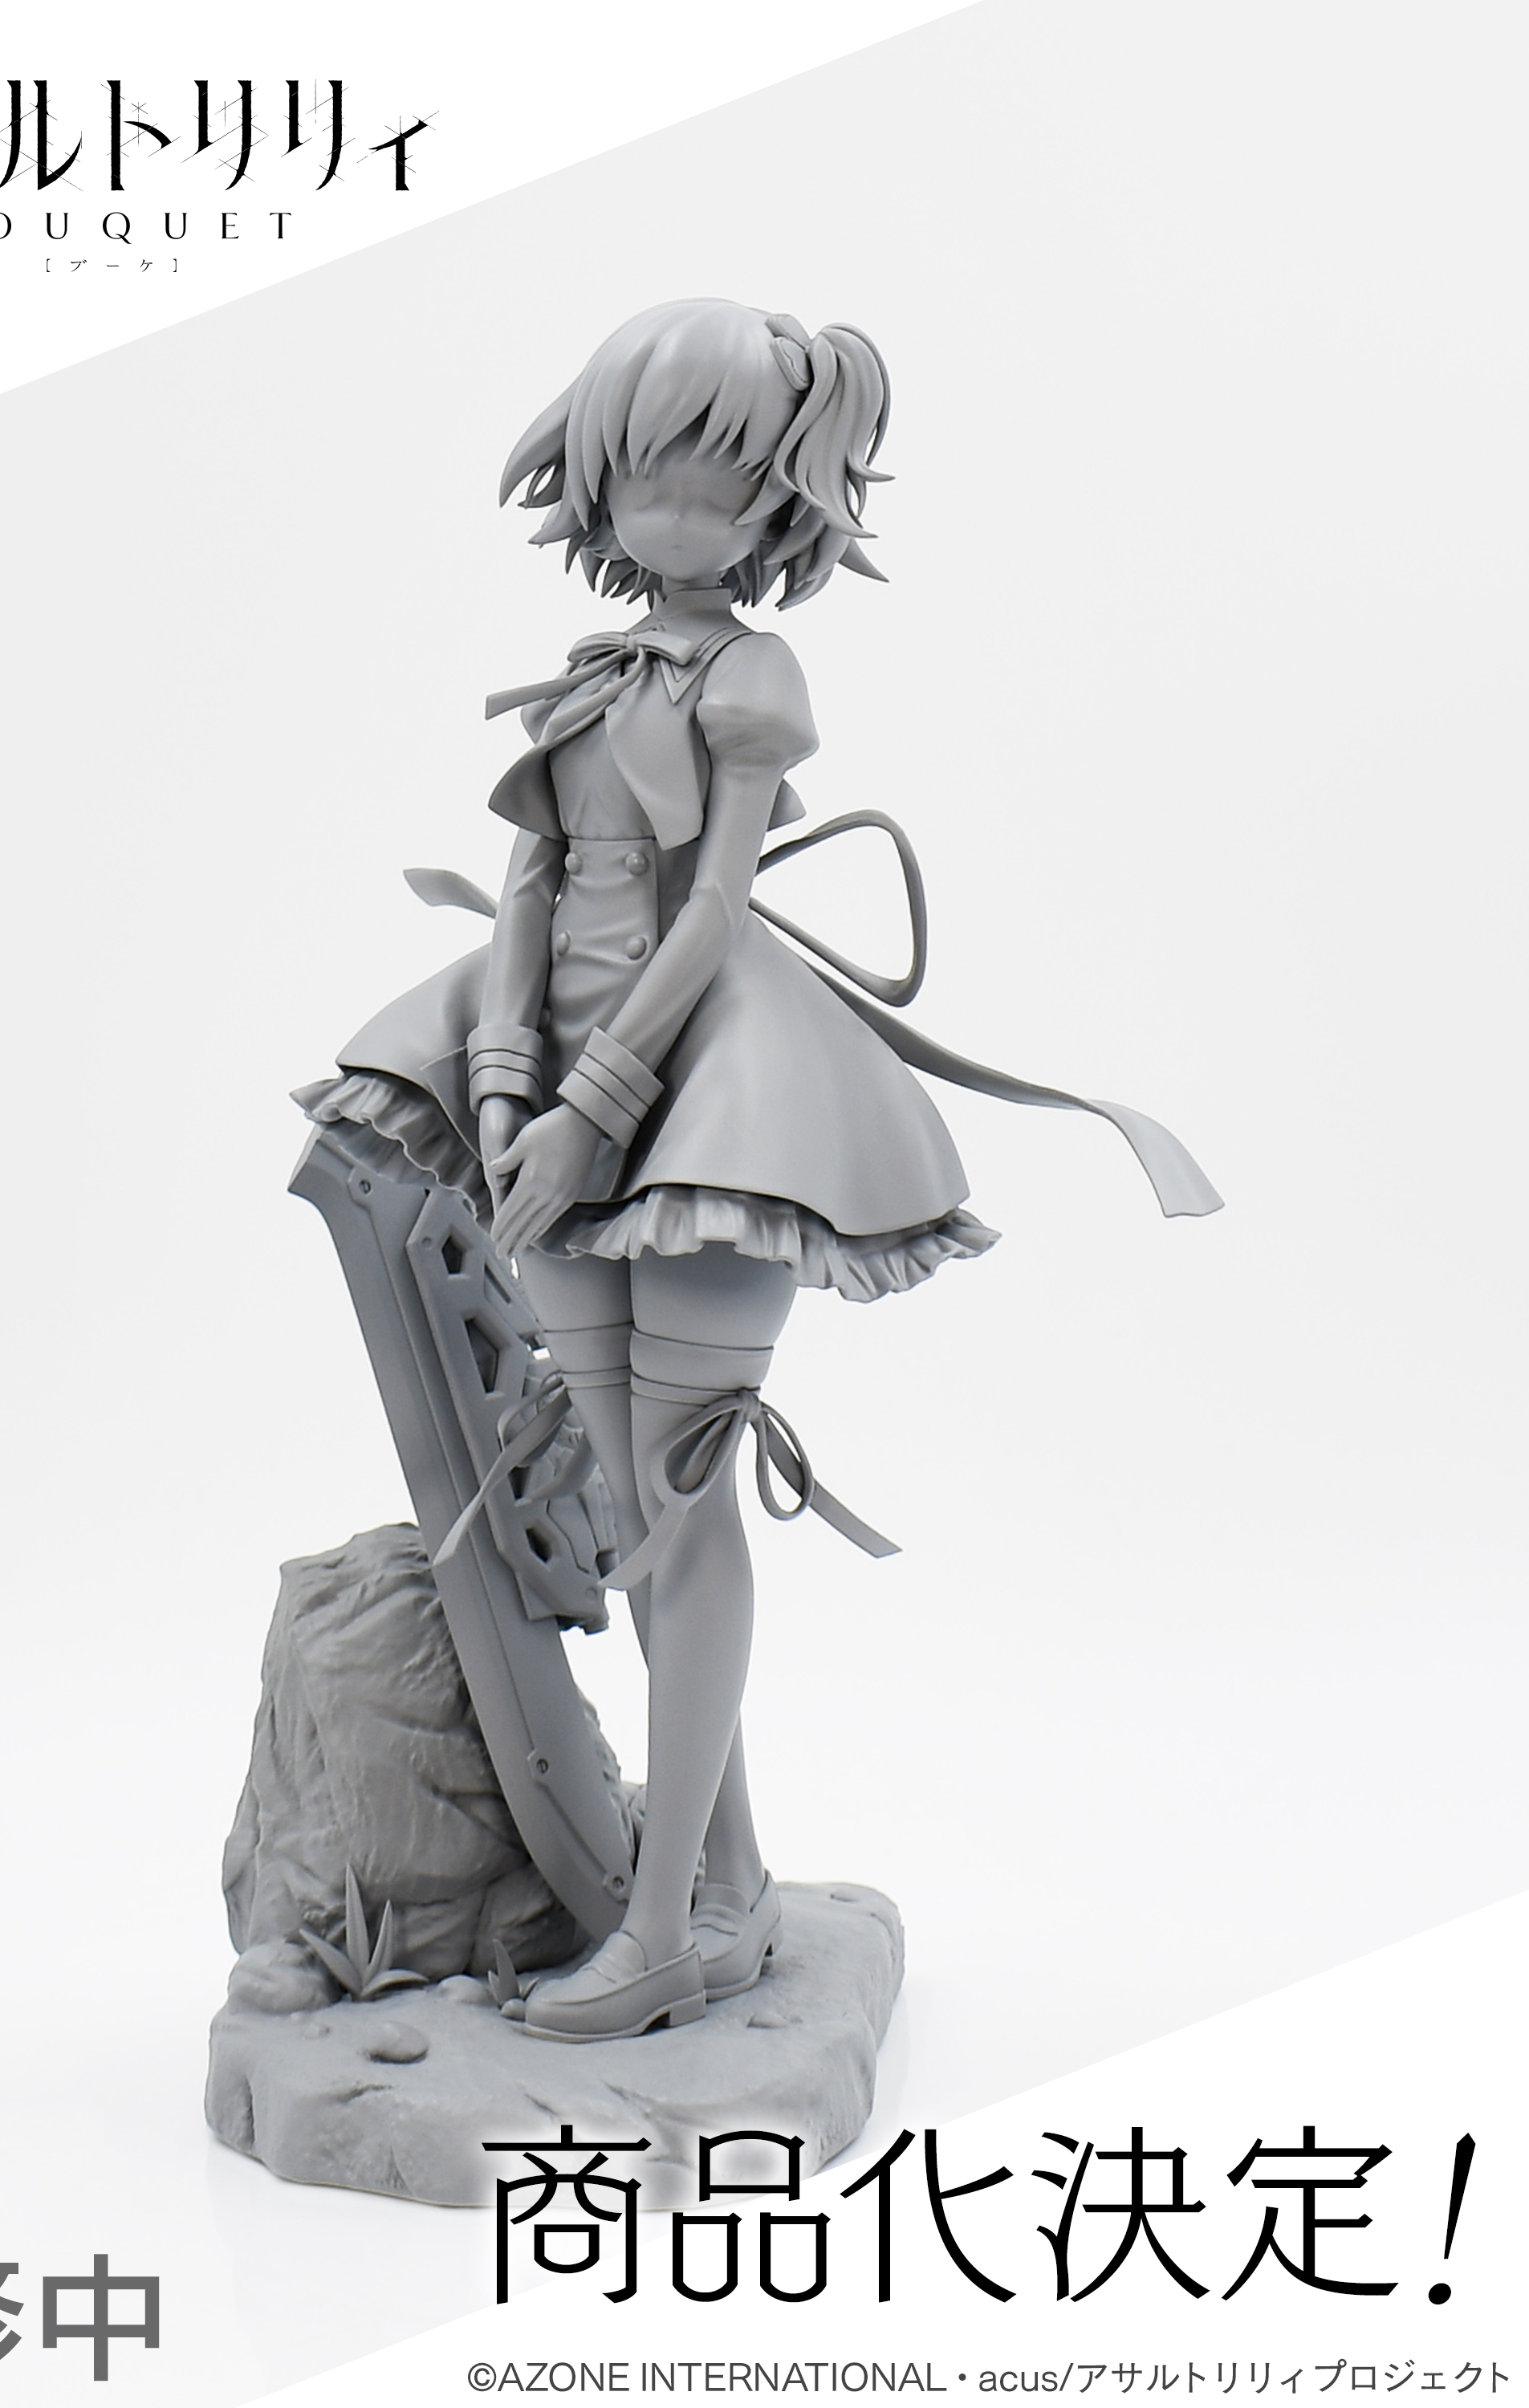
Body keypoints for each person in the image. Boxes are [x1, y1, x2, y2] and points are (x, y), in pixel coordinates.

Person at [303, 297, 1212, 2040]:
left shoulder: (752, 678)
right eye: (645, 473)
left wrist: (595, 1104)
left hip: (705, 1092)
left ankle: (666, 1927)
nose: (676, 513)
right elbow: (529, 887)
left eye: (721, 483)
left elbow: (713, 908)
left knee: (682, 1497)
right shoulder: (593, 678)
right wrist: (501, 1079)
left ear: (784, 501)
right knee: (629, 1504)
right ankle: (715, 1893)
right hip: (553, 1076)